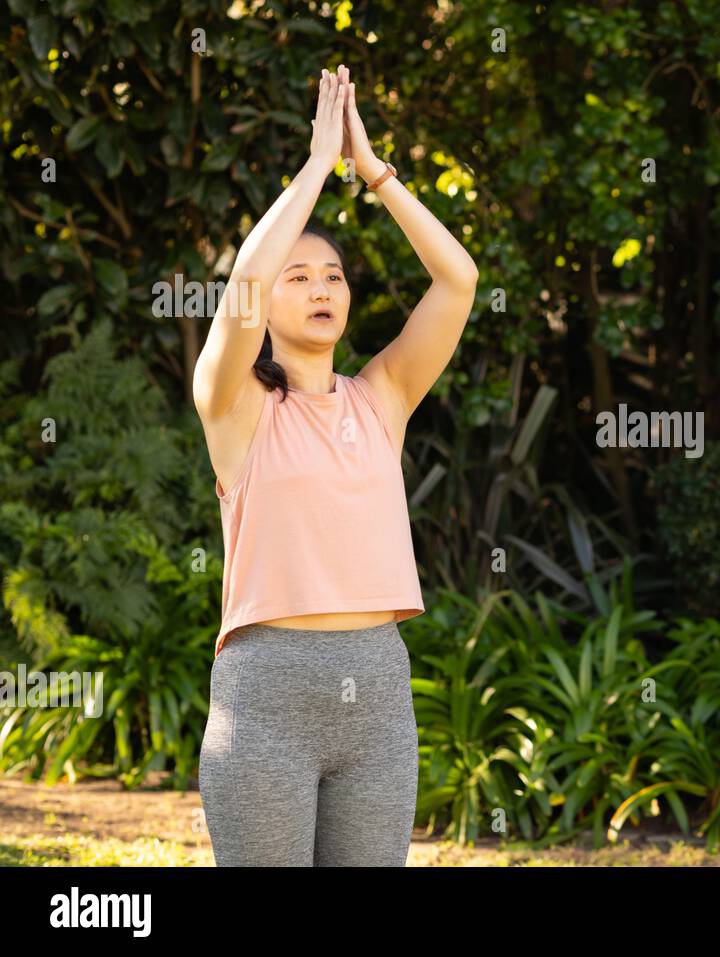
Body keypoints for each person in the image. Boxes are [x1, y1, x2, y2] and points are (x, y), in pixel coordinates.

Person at [192, 65, 478, 866]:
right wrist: (318, 166)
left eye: (335, 275)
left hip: (377, 690)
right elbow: (243, 281)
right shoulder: (235, 406)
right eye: (301, 276)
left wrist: (376, 173)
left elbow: (459, 279)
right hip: (266, 696)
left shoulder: (382, 396)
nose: (322, 286)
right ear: (271, 304)